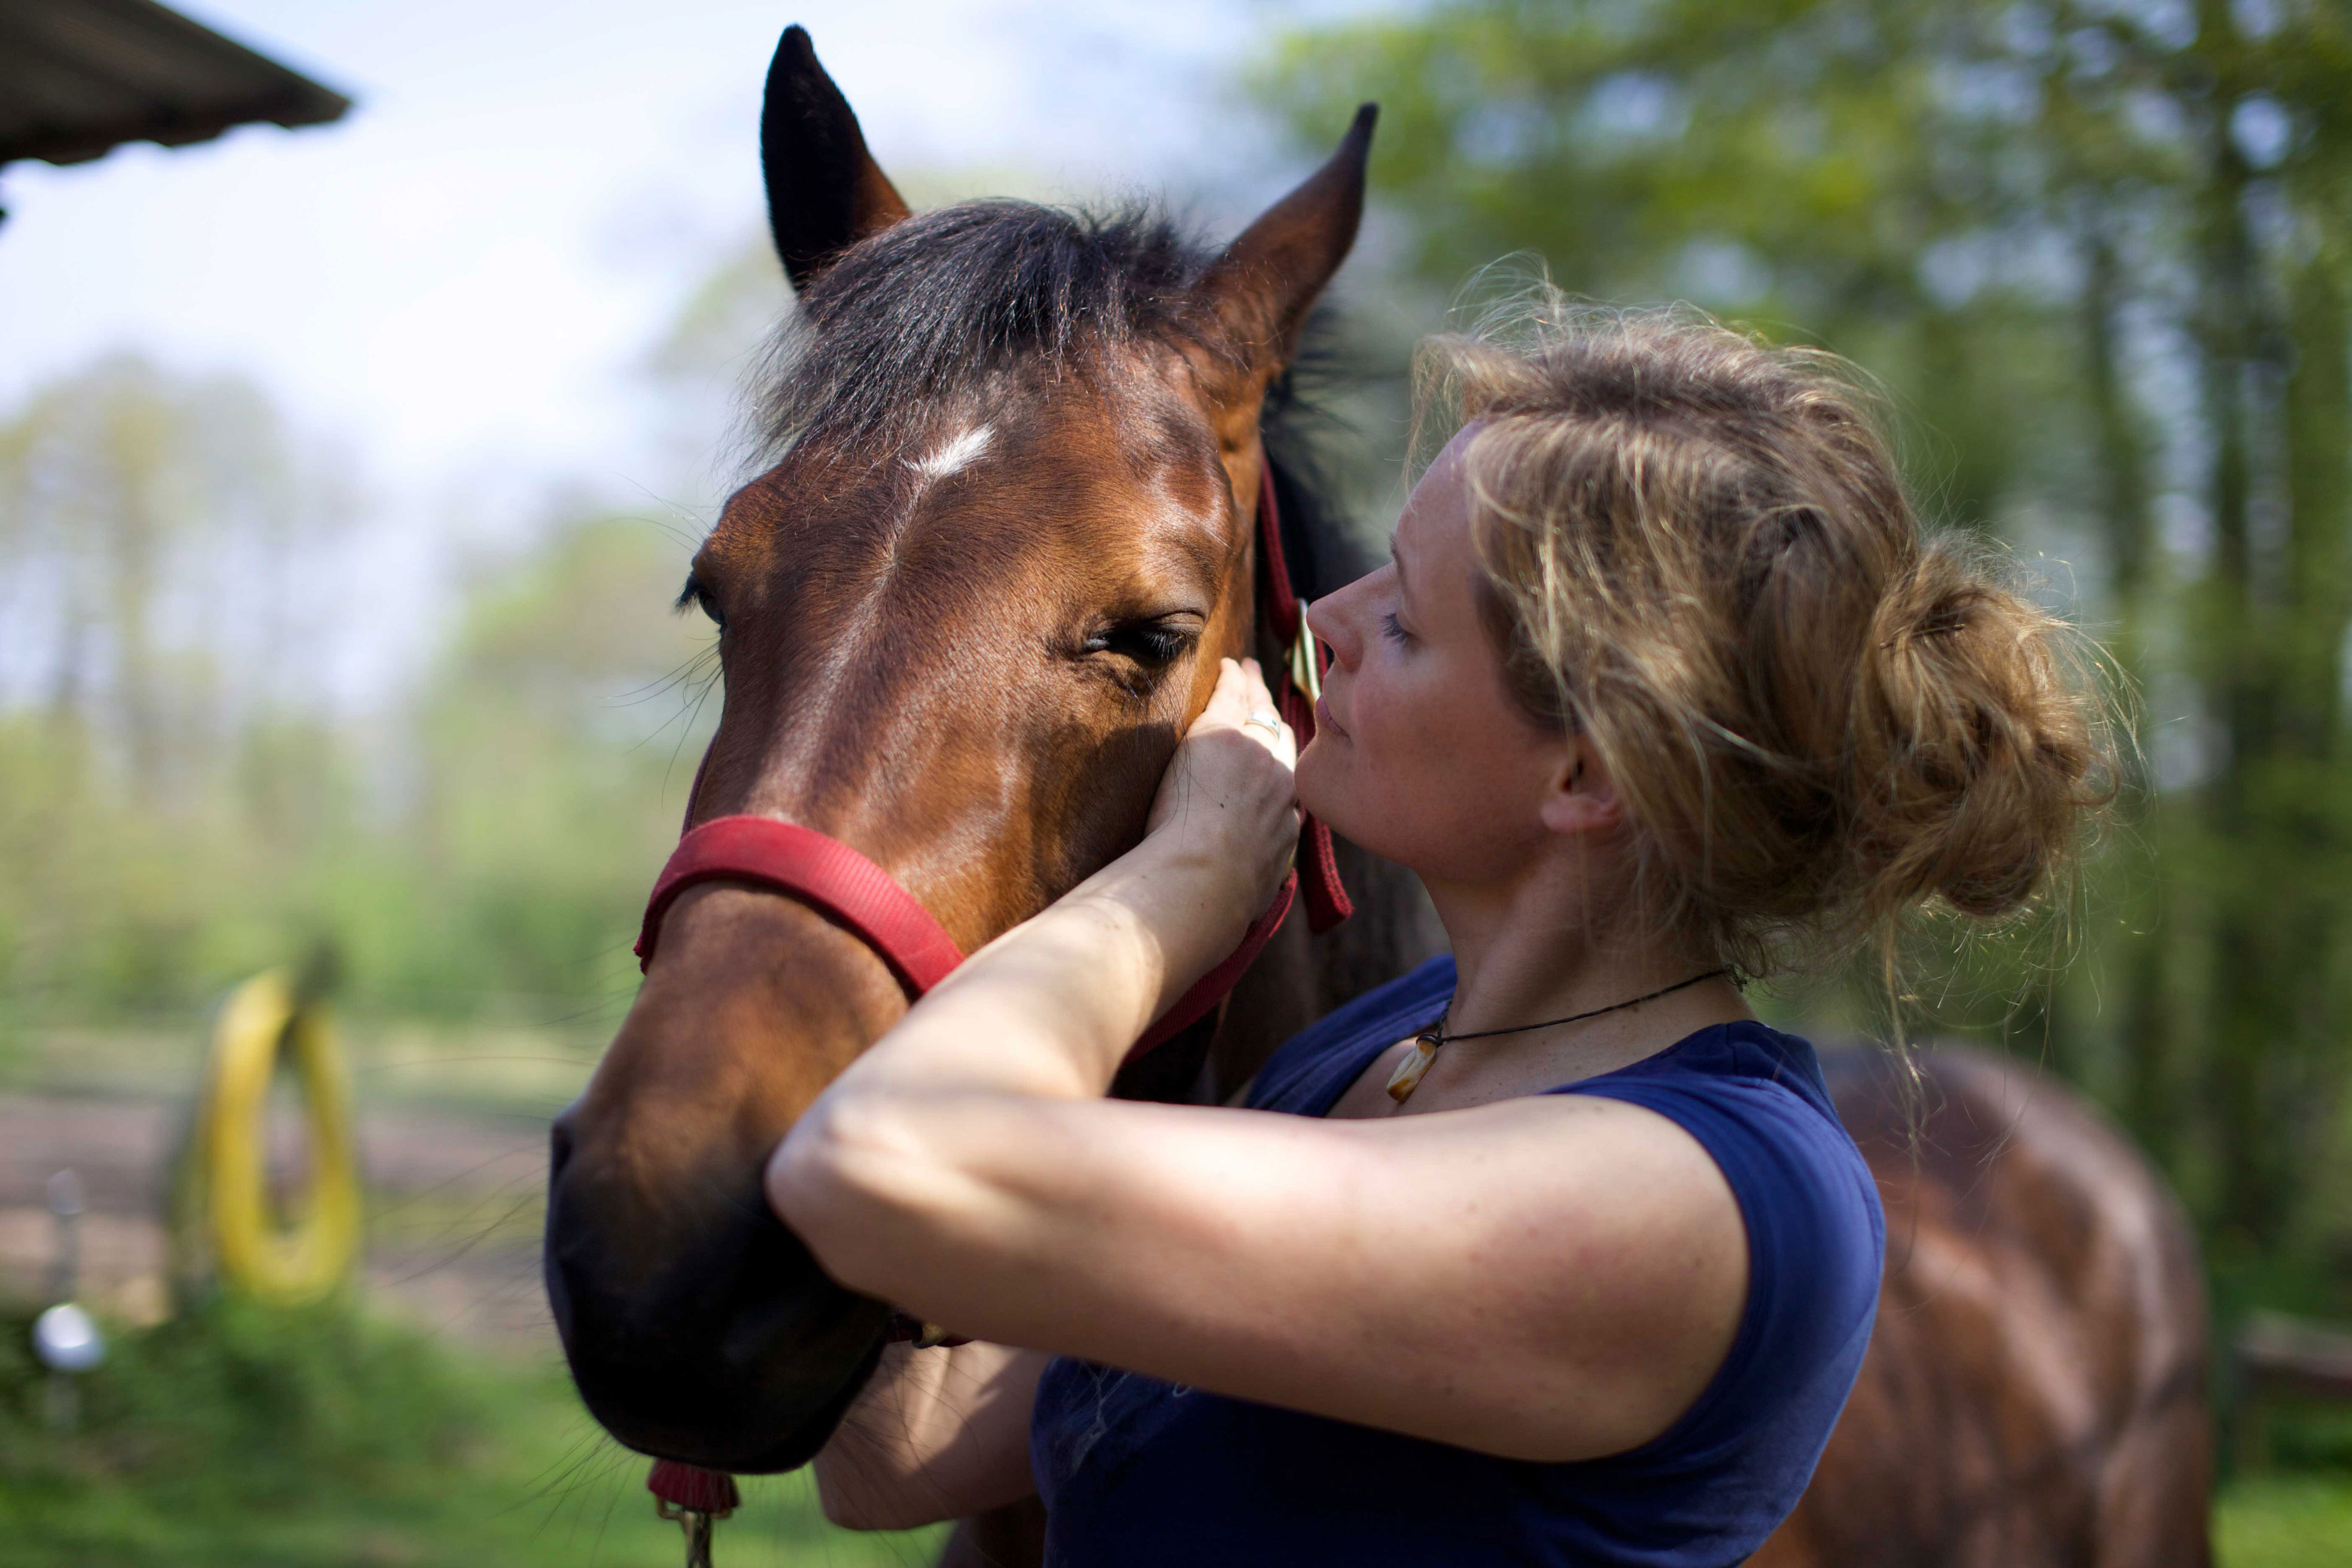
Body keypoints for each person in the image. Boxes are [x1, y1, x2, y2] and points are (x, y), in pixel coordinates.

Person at [763, 303, 2113, 1566]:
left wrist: (1174, 888)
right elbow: (900, 1457)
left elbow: (880, 1164)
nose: (1318, 626)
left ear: (1584, 775)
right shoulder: (1381, 1048)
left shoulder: (1700, 1200)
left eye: (1401, 616)